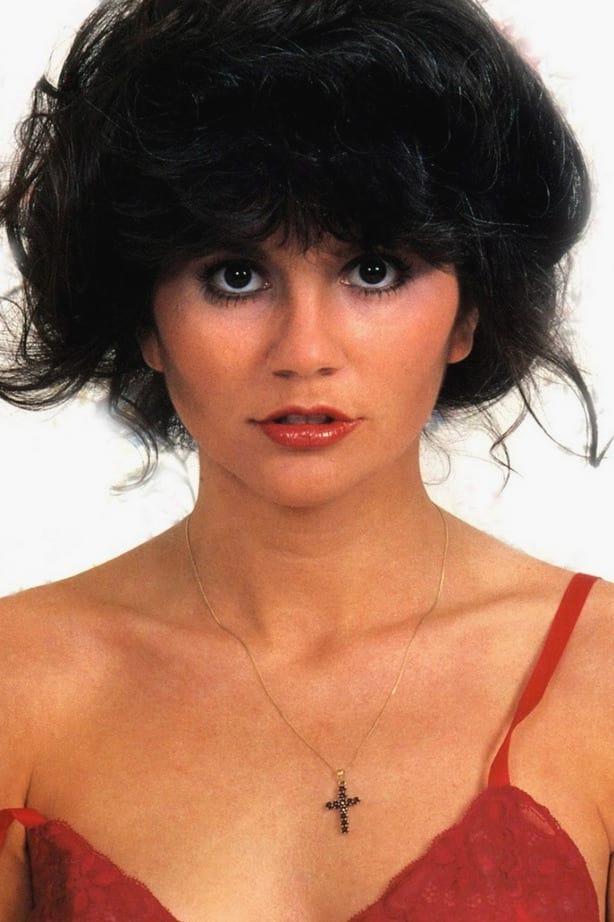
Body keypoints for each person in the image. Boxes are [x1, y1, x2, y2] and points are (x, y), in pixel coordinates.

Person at [0, 0, 612, 919]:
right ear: (145, 321)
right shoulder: (17, 680)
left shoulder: (601, 677)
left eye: (374, 270)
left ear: (471, 313)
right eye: (235, 275)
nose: (305, 350)